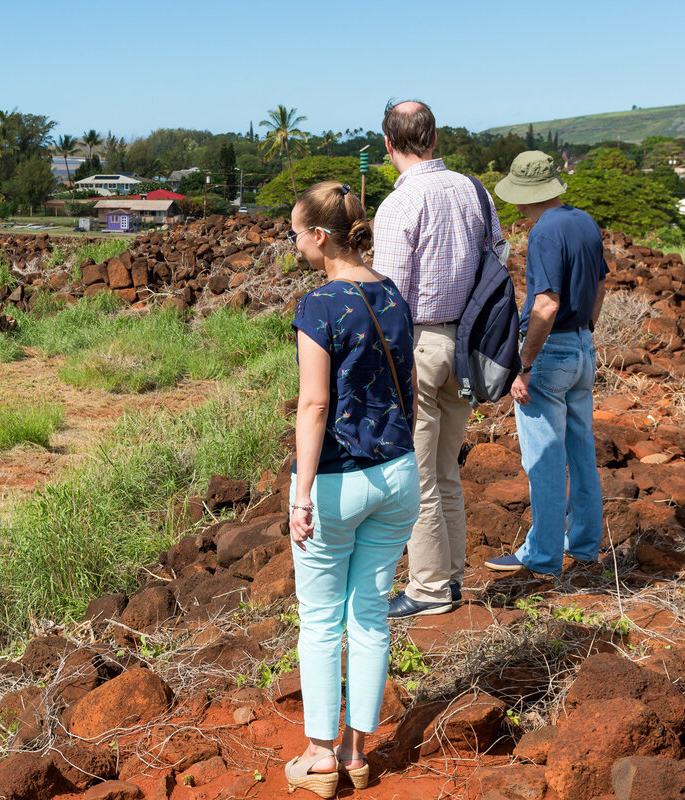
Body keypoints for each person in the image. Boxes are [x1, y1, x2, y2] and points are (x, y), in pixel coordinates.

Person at [284, 181, 419, 798]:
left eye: (295, 234)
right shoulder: (392, 293)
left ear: (319, 235)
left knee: (319, 620)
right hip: (397, 474)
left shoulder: (318, 306)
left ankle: (318, 758)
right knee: (369, 615)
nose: (294, 244)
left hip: (338, 481)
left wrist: (300, 495)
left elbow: (313, 405)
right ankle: (357, 754)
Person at [373, 99, 505, 618]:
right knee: (446, 468)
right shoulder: (476, 191)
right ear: (434, 138)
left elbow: (390, 296)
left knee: (420, 474)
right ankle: (449, 580)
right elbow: (499, 257)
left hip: (420, 345)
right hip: (469, 343)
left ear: (389, 144)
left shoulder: (399, 204)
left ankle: (428, 590)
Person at [485, 151, 606, 576]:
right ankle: (586, 545)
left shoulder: (543, 233)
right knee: (581, 452)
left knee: (545, 459)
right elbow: (600, 285)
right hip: (582, 348)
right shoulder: (584, 221)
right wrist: (586, 328)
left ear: (523, 194)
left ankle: (543, 556)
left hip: (550, 353)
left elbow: (546, 303)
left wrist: (524, 364)